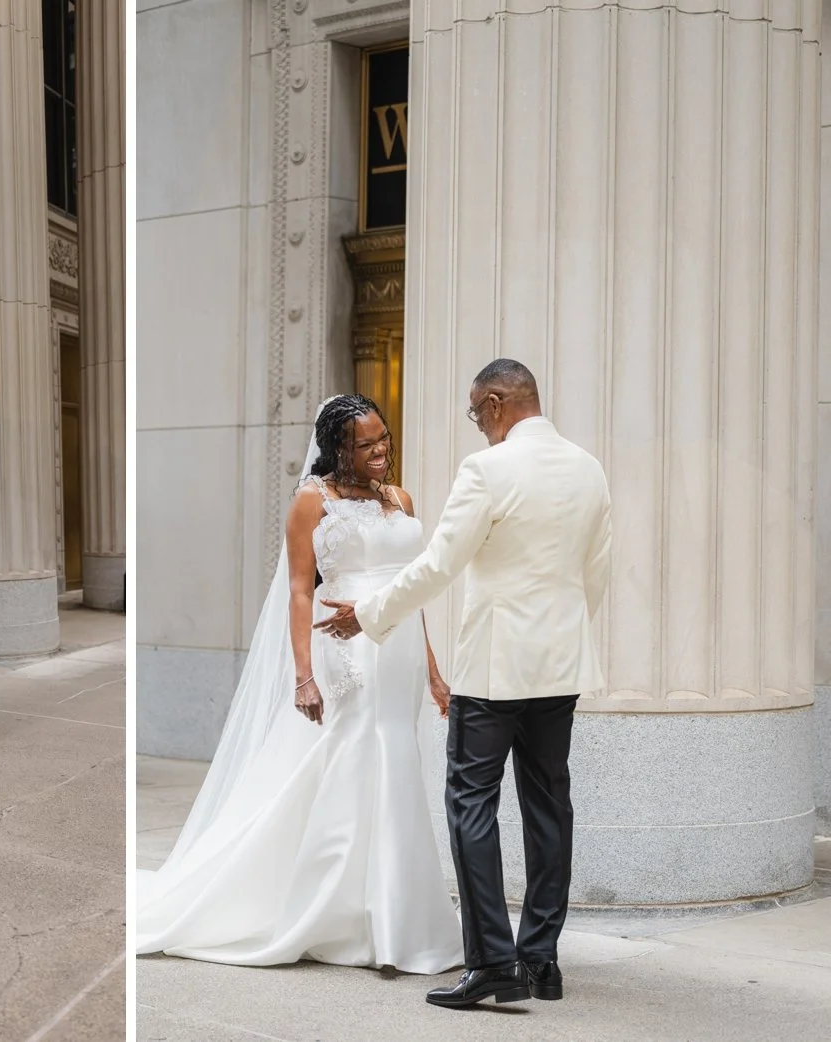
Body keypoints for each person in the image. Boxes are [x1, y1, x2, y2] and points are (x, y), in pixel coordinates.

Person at [316, 359, 613, 1008]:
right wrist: (560, 637)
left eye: (479, 412)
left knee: (471, 804)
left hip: (495, 667)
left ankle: (492, 965)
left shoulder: (489, 470)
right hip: (559, 667)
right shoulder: (589, 468)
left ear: (501, 401)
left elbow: (440, 565)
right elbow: (596, 573)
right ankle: (542, 962)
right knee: (549, 805)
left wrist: (368, 614)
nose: (479, 426)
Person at [136, 395, 464, 974]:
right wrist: (304, 674)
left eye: (384, 438)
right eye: (367, 444)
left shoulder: (401, 499)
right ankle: (334, 910)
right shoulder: (313, 502)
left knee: (396, 762)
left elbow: (409, 592)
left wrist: (435, 672)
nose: (381, 450)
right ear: (339, 447)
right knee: (355, 759)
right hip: (346, 649)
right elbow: (298, 590)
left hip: (402, 652)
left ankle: (387, 912)